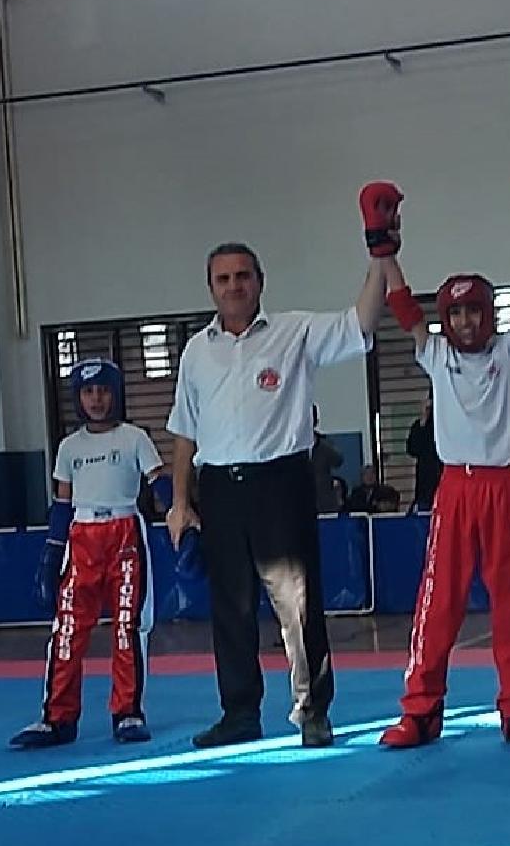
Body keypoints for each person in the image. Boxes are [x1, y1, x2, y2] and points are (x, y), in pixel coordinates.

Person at [165, 202, 392, 751]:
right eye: (223, 279)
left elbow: (362, 323)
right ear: (210, 288)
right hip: (218, 489)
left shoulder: (295, 332)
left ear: (260, 282)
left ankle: (313, 711)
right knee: (231, 608)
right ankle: (239, 712)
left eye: (242, 276)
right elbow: (184, 433)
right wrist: (179, 502)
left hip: (281, 484)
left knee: (298, 604)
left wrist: (380, 255)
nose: (234, 286)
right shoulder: (196, 352)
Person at [375, 169, 510, 752]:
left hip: (503, 488)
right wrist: (382, 243)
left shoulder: (509, 351)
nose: (464, 322)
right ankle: (420, 711)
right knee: (438, 601)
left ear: (487, 314)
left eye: (474, 312)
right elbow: (402, 306)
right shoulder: (435, 354)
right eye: (455, 314)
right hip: (454, 489)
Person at [12, 359, 171, 750]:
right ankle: (57, 718)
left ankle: (127, 711)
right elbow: (62, 504)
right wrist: (51, 556)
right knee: (67, 628)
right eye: (88, 391)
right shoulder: (69, 447)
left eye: (103, 390)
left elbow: (159, 483)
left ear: (116, 393)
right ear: (77, 398)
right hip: (81, 536)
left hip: (125, 533)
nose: (96, 399)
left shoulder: (135, 437)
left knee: (128, 626)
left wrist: (182, 515)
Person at [405, 393, 441, 511]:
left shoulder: (445, 426)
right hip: (425, 481)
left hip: (444, 478)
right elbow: (412, 449)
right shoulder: (419, 425)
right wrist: (423, 421)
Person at [309, 408, 345, 514]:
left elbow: (338, 461)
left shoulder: (325, 444)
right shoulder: (293, 444)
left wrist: (319, 443)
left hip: (325, 503)